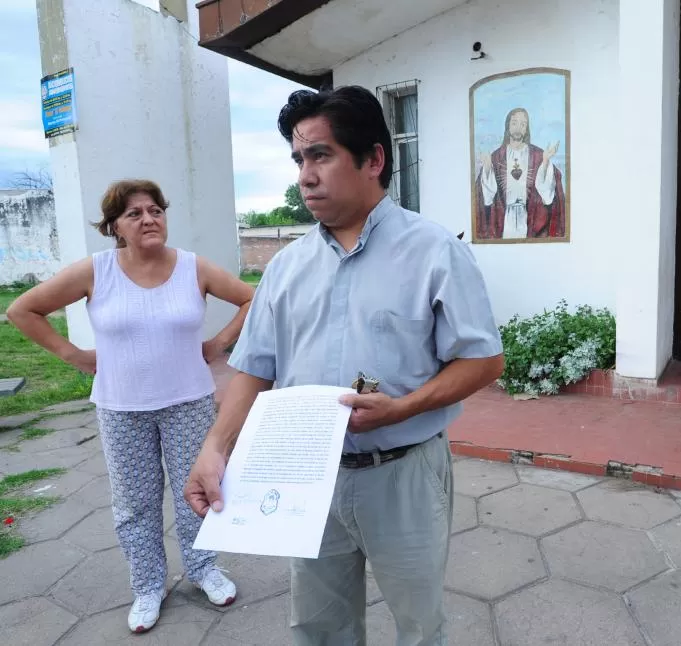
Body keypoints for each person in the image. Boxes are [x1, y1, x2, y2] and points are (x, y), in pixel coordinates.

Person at [184, 85, 505, 646]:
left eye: (321, 155)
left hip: (403, 473)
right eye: (298, 159)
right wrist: (215, 449)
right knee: (319, 627)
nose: (305, 176)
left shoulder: (434, 252)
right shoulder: (285, 269)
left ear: (374, 159)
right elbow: (255, 368)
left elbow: (483, 360)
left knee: (419, 625)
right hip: (308, 479)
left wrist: (401, 408)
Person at [6, 179, 254, 633]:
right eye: (135, 213)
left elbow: (250, 298)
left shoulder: (192, 268)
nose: (148, 219)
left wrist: (219, 343)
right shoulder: (95, 271)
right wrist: (74, 356)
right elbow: (22, 310)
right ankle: (148, 585)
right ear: (115, 226)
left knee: (197, 492)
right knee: (134, 503)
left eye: (155, 209)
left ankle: (203, 569)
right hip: (121, 407)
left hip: (187, 403)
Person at [474, 107, 566, 240]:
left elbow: (548, 196)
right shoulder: (496, 157)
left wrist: (545, 162)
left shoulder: (538, 156)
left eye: (523, 124)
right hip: (504, 221)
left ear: (526, 128)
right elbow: (487, 198)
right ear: (508, 126)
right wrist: (487, 167)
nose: (518, 127)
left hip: (530, 219)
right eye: (514, 123)